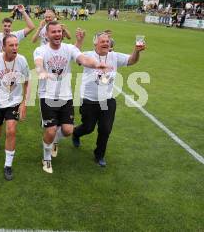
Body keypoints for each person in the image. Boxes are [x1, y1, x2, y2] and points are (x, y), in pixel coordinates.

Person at [33, 21, 109, 174]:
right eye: (53, 32)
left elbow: (83, 59)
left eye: (59, 31)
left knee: (67, 130)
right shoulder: (40, 50)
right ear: (47, 35)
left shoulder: (69, 49)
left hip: (66, 96)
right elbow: (39, 63)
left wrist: (96, 65)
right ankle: (46, 158)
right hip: (47, 96)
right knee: (51, 130)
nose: (57, 34)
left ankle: (54, 142)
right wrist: (41, 71)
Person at [72, 33, 145, 167]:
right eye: (102, 41)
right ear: (96, 43)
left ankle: (99, 155)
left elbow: (131, 60)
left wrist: (137, 51)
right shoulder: (87, 55)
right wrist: (79, 41)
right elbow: (75, 57)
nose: (106, 43)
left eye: (107, 41)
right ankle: (76, 133)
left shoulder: (114, 56)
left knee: (105, 129)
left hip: (108, 100)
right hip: (89, 99)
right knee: (88, 128)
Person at [0, 34, 29, 181]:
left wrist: (23, 103)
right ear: (3, 47)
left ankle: (8, 165)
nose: (15, 47)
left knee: (11, 130)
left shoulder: (22, 61)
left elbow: (27, 82)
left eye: (16, 45)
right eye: (11, 45)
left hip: (13, 101)